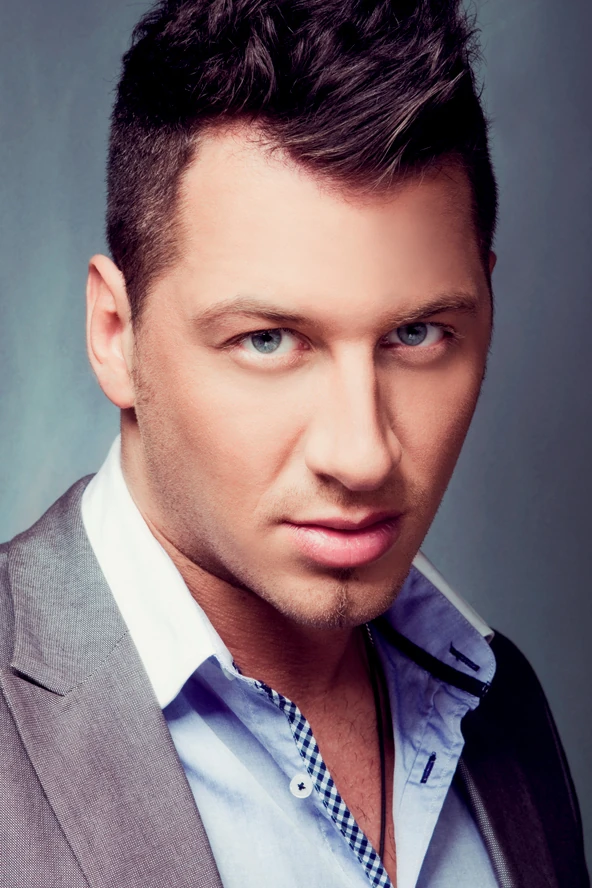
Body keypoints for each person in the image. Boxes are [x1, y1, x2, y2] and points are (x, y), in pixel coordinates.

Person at [0, 0, 588, 885]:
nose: (362, 455)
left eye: (418, 333)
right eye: (268, 340)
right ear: (117, 334)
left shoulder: (503, 706)